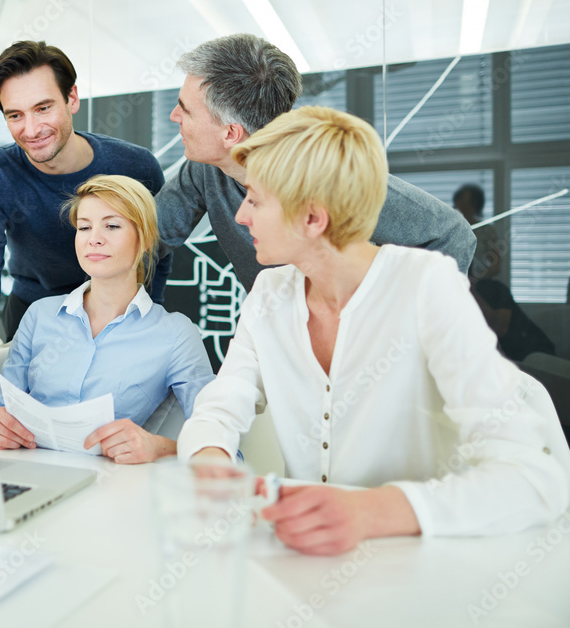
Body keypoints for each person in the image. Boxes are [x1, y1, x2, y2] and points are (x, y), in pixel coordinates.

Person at [177, 106, 570, 554]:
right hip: (307, 560)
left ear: (312, 219)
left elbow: (535, 479)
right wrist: (210, 459)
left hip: (421, 565)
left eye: (254, 199)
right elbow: (221, 404)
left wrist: (369, 512)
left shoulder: (425, 283)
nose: (241, 216)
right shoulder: (270, 291)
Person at [155, 33, 476, 293]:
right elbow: (148, 237)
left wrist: (404, 330)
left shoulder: (330, 177)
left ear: (230, 133)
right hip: (281, 332)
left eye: (186, 109)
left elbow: (453, 235)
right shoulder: (204, 170)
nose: (174, 117)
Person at [0, 41, 170, 350]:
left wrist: (148, 312)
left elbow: (156, 252)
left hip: (119, 311)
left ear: (72, 99)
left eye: (43, 108)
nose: (31, 129)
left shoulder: (134, 166)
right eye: (15, 115)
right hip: (33, 311)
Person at [0, 175, 214, 464]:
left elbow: (217, 438)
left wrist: (160, 447)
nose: (94, 238)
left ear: (144, 239)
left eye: (111, 225)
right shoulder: (40, 315)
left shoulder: (174, 333)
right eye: (84, 227)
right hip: (26, 473)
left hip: (110, 488)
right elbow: (3, 410)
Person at [453, 183, 502, 281]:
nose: (460, 206)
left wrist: (476, 278)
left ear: (475, 204)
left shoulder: (486, 230)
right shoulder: (450, 229)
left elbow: (496, 265)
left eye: (465, 202)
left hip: (478, 286)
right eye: (459, 201)